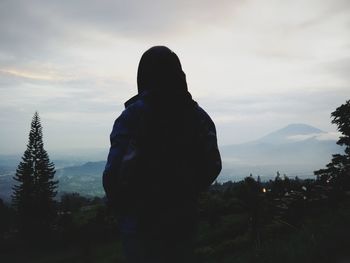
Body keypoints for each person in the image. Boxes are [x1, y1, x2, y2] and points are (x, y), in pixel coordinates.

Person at [103, 46, 221, 263]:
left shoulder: (132, 117)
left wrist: (126, 210)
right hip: (184, 223)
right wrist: (187, 192)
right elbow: (213, 165)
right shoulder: (200, 118)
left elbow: (112, 177)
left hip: (140, 229)